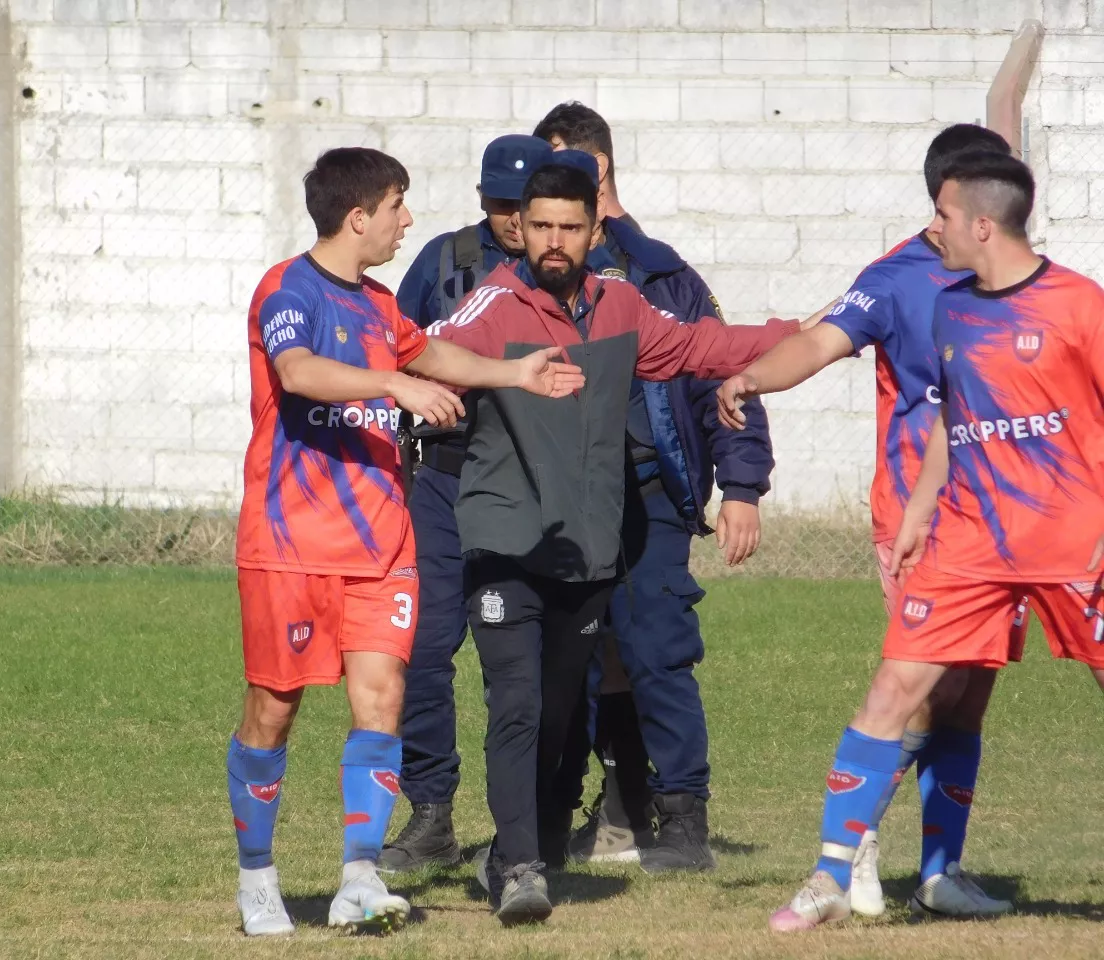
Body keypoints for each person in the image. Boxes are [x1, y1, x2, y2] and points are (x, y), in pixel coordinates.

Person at [428, 162, 809, 925]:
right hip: (504, 540)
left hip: (584, 545)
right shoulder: (495, 303)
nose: (555, 242)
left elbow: (704, 347)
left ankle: (511, 851)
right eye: (541, 226)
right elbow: (420, 347)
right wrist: (492, 374)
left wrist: (812, 335)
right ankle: (525, 868)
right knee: (519, 700)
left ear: (596, 230)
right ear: (521, 228)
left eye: (570, 227)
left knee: (563, 710)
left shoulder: (623, 305)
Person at [228, 146, 584, 937]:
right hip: (291, 543)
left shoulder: (382, 304)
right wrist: (393, 384)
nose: (407, 219)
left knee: (382, 700)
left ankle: (358, 877)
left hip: (381, 541)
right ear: (359, 217)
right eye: (397, 205)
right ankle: (258, 879)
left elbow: (430, 352)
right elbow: (298, 372)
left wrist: (513, 374)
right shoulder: (287, 289)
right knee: (273, 711)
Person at [763, 149, 1104, 932]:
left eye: (943, 214)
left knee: (969, 706)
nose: (932, 225)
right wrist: (919, 509)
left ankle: (933, 871)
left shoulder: (1080, 305)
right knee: (895, 690)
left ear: (983, 224)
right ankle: (828, 875)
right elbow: (956, 415)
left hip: (1075, 542)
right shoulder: (952, 306)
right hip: (968, 540)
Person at [717, 124, 1017, 919]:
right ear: (950, 199)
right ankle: (857, 842)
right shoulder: (894, 278)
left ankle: (940, 872)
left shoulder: (1015, 280)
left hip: (1005, 520)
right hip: (918, 518)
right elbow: (817, 342)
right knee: (924, 685)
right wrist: (753, 377)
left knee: (968, 697)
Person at [535, 101, 774, 873]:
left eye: (571, 174)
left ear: (601, 176)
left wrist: (741, 483)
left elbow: (721, 378)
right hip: (561, 502)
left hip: (648, 496)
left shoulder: (663, 276)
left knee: (656, 653)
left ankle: (682, 821)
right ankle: (609, 810)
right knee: (571, 660)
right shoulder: (523, 278)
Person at [380, 134, 555, 873]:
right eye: (500, 204)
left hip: (528, 486)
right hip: (445, 480)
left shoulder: (560, 268)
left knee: (525, 661)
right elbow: (391, 348)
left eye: (523, 205)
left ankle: (534, 823)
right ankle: (432, 815)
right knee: (422, 649)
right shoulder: (445, 261)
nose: (513, 219)